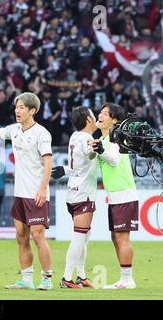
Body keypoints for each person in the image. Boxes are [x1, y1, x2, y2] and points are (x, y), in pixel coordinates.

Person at [0, 92, 54, 290]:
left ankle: (47, 278)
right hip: (19, 193)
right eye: (16, 107)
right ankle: (26, 279)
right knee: (21, 236)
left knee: (38, 236)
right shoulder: (14, 130)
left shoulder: (42, 133)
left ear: (32, 111)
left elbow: (48, 162)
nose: (17, 111)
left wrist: (43, 189)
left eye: (21, 108)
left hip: (36, 193)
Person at [92, 103, 138, 289]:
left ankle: (127, 280)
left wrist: (100, 151)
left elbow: (114, 160)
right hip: (115, 196)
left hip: (124, 195)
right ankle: (124, 278)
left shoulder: (116, 138)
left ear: (115, 120)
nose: (100, 116)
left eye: (105, 113)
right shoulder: (103, 139)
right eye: (100, 112)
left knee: (122, 238)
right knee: (115, 237)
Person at [52, 107, 98, 288]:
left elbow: (78, 163)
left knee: (85, 235)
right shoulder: (87, 138)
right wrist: (95, 149)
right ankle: (66, 278)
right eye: (93, 115)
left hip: (72, 190)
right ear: (88, 119)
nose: (95, 118)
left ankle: (81, 275)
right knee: (79, 237)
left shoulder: (74, 136)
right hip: (84, 193)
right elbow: (89, 153)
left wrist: (65, 170)